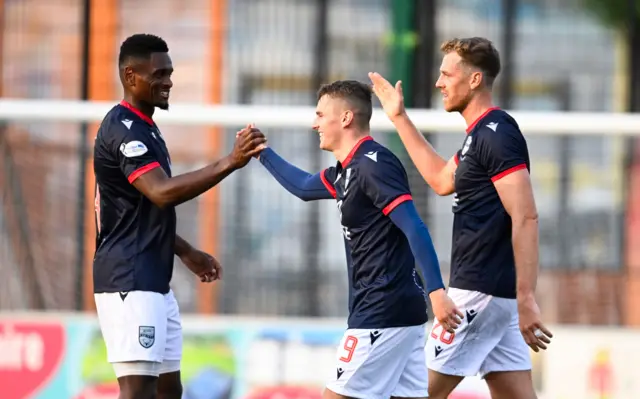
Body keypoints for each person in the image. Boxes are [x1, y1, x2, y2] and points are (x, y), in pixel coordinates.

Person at [252, 79, 462, 399]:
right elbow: (306, 187)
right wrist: (261, 152)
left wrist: (437, 291)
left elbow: (414, 226)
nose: (314, 123)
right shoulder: (346, 170)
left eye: (321, 115)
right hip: (397, 315)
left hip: (381, 311)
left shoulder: (373, 165)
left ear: (346, 118)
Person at [368, 36, 553, 399]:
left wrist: (527, 296)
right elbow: (440, 180)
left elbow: (526, 216)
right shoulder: (478, 136)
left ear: (474, 80)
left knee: (413, 394)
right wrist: (399, 118)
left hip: (479, 293)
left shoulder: (498, 134)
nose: (439, 83)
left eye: (446, 74)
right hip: (494, 297)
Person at [92, 33, 265, 399]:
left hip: (154, 278)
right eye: (158, 74)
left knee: (169, 389)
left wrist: (185, 251)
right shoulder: (123, 129)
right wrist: (229, 162)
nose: (167, 81)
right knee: (138, 392)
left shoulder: (146, 127)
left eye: (169, 73)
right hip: (129, 279)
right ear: (130, 76)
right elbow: (160, 192)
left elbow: (141, 212)